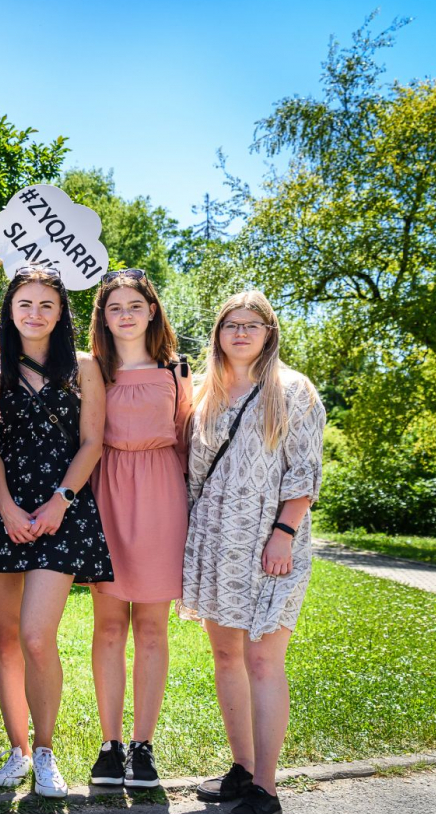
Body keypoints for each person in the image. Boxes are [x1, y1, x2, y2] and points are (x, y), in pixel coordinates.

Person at [0, 265, 111, 798]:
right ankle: (18, 751)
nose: (34, 313)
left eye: (46, 305)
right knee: (6, 640)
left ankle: (46, 753)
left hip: (61, 510)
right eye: (24, 303)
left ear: (61, 312)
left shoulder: (86, 368)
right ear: (10, 310)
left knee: (35, 637)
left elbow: (92, 443)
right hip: (5, 510)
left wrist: (59, 503)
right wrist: (3, 506)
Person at [182, 291, 325, 814]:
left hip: (270, 543)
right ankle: (241, 770)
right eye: (231, 325)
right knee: (226, 657)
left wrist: (284, 533)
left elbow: (304, 472)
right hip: (216, 541)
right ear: (218, 333)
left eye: (252, 325)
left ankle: (266, 787)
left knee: (263, 660)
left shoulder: (292, 390)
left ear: (269, 333)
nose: (240, 333)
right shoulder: (205, 392)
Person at [85, 268, 192, 789]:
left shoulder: (178, 369)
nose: (124, 314)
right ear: (102, 317)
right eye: (114, 307)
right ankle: (110, 746)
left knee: (151, 627)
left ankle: (143, 746)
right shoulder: (92, 370)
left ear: (152, 310)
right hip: (106, 492)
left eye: (134, 305)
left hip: (161, 494)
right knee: (108, 626)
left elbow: (188, 440)